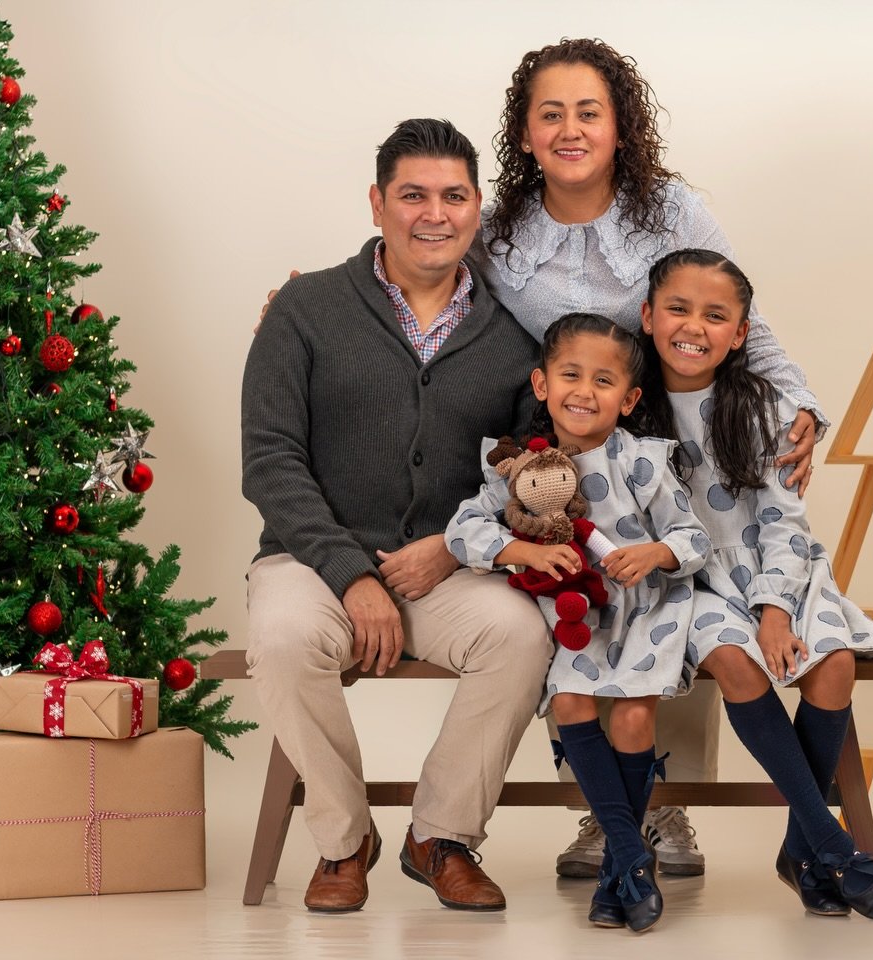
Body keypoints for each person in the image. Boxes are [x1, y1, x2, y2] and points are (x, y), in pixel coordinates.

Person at [481, 37, 828, 879]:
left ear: (620, 126)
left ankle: (669, 810)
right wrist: (312, 294)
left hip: (676, 442)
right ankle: (602, 817)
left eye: (588, 112)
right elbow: (425, 281)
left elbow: (741, 316)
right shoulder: (498, 231)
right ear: (524, 133)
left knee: (681, 604)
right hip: (572, 453)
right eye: (550, 114)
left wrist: (803, 404)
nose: (570, 129)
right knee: (583, 615)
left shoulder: (673, 211)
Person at [241, 118, 552, 914]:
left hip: (447, 568)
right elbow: (270, 460)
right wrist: (352, 575)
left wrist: (452, 547)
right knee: (282, 637)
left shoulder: (514, 335)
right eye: (413, 195)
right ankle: (344, 841)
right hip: (311, 562)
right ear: (378, 204)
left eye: (453, 196)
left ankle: (441, 838)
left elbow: (526, 473)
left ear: (477, 207)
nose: (434, 214)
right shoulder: (305, 308)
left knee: (521, 635)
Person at [634, 248, 873, 920]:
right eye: (678, 308)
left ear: (741, 334)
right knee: (733, 660)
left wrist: (775, 609)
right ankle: (831, 845)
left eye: (715, 315)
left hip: (773, 569)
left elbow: (784, 524)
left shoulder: (766, 408)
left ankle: (800, 847)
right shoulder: (630, 409)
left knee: (834, 665)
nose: (694, 326)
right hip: (687, 580)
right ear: (647, 315)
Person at [446, 313, 710, 931]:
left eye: (603, 381)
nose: (584, 392)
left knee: (635, 717)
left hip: (646, 611)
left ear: (629, 399)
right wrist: (522, 550)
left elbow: (693, 536)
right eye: (570, 375)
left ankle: (619, 867)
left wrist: (655, 553)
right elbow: (463, 529)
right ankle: (631, 858)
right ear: (542, 385)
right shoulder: (519, 468)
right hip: (576, 619)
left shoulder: (643, 461)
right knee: (569, 702)